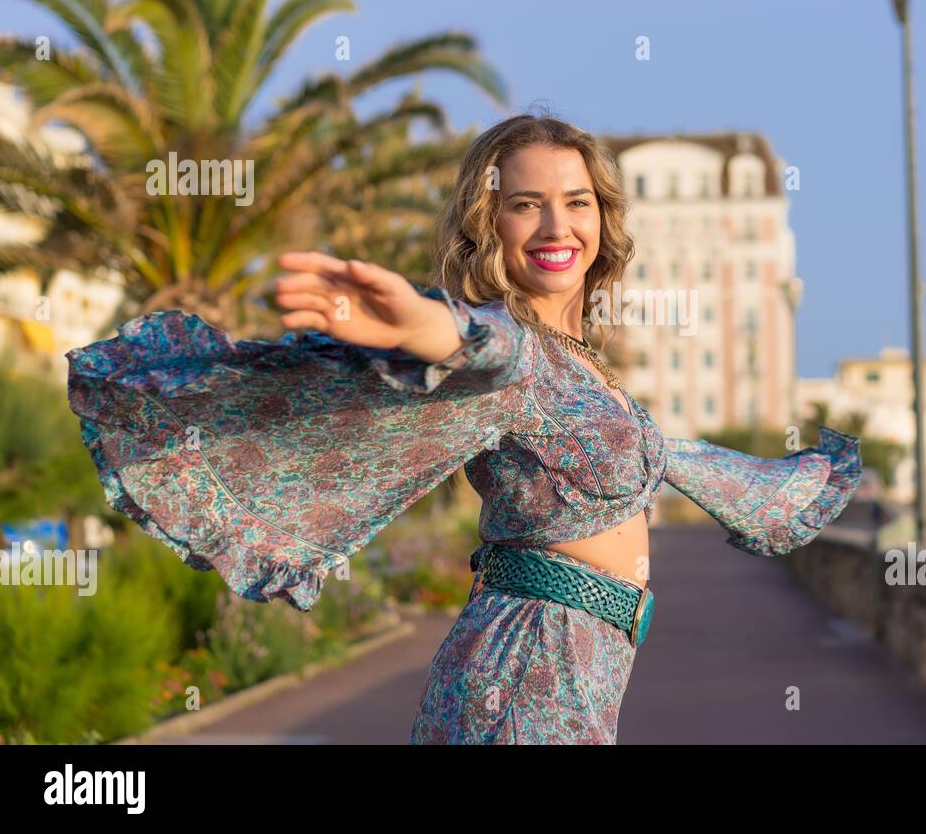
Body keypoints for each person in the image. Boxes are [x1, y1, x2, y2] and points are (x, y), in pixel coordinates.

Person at [66, 113, 862, 744]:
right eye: (526, 204)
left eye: (576, 201)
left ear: (603, 218)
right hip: (529, 671)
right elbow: (479, 344)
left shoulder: (581, 363)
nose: (557, 225)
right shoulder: (511, 352)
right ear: (490, 225)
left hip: (569, 665)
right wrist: (422, 323)